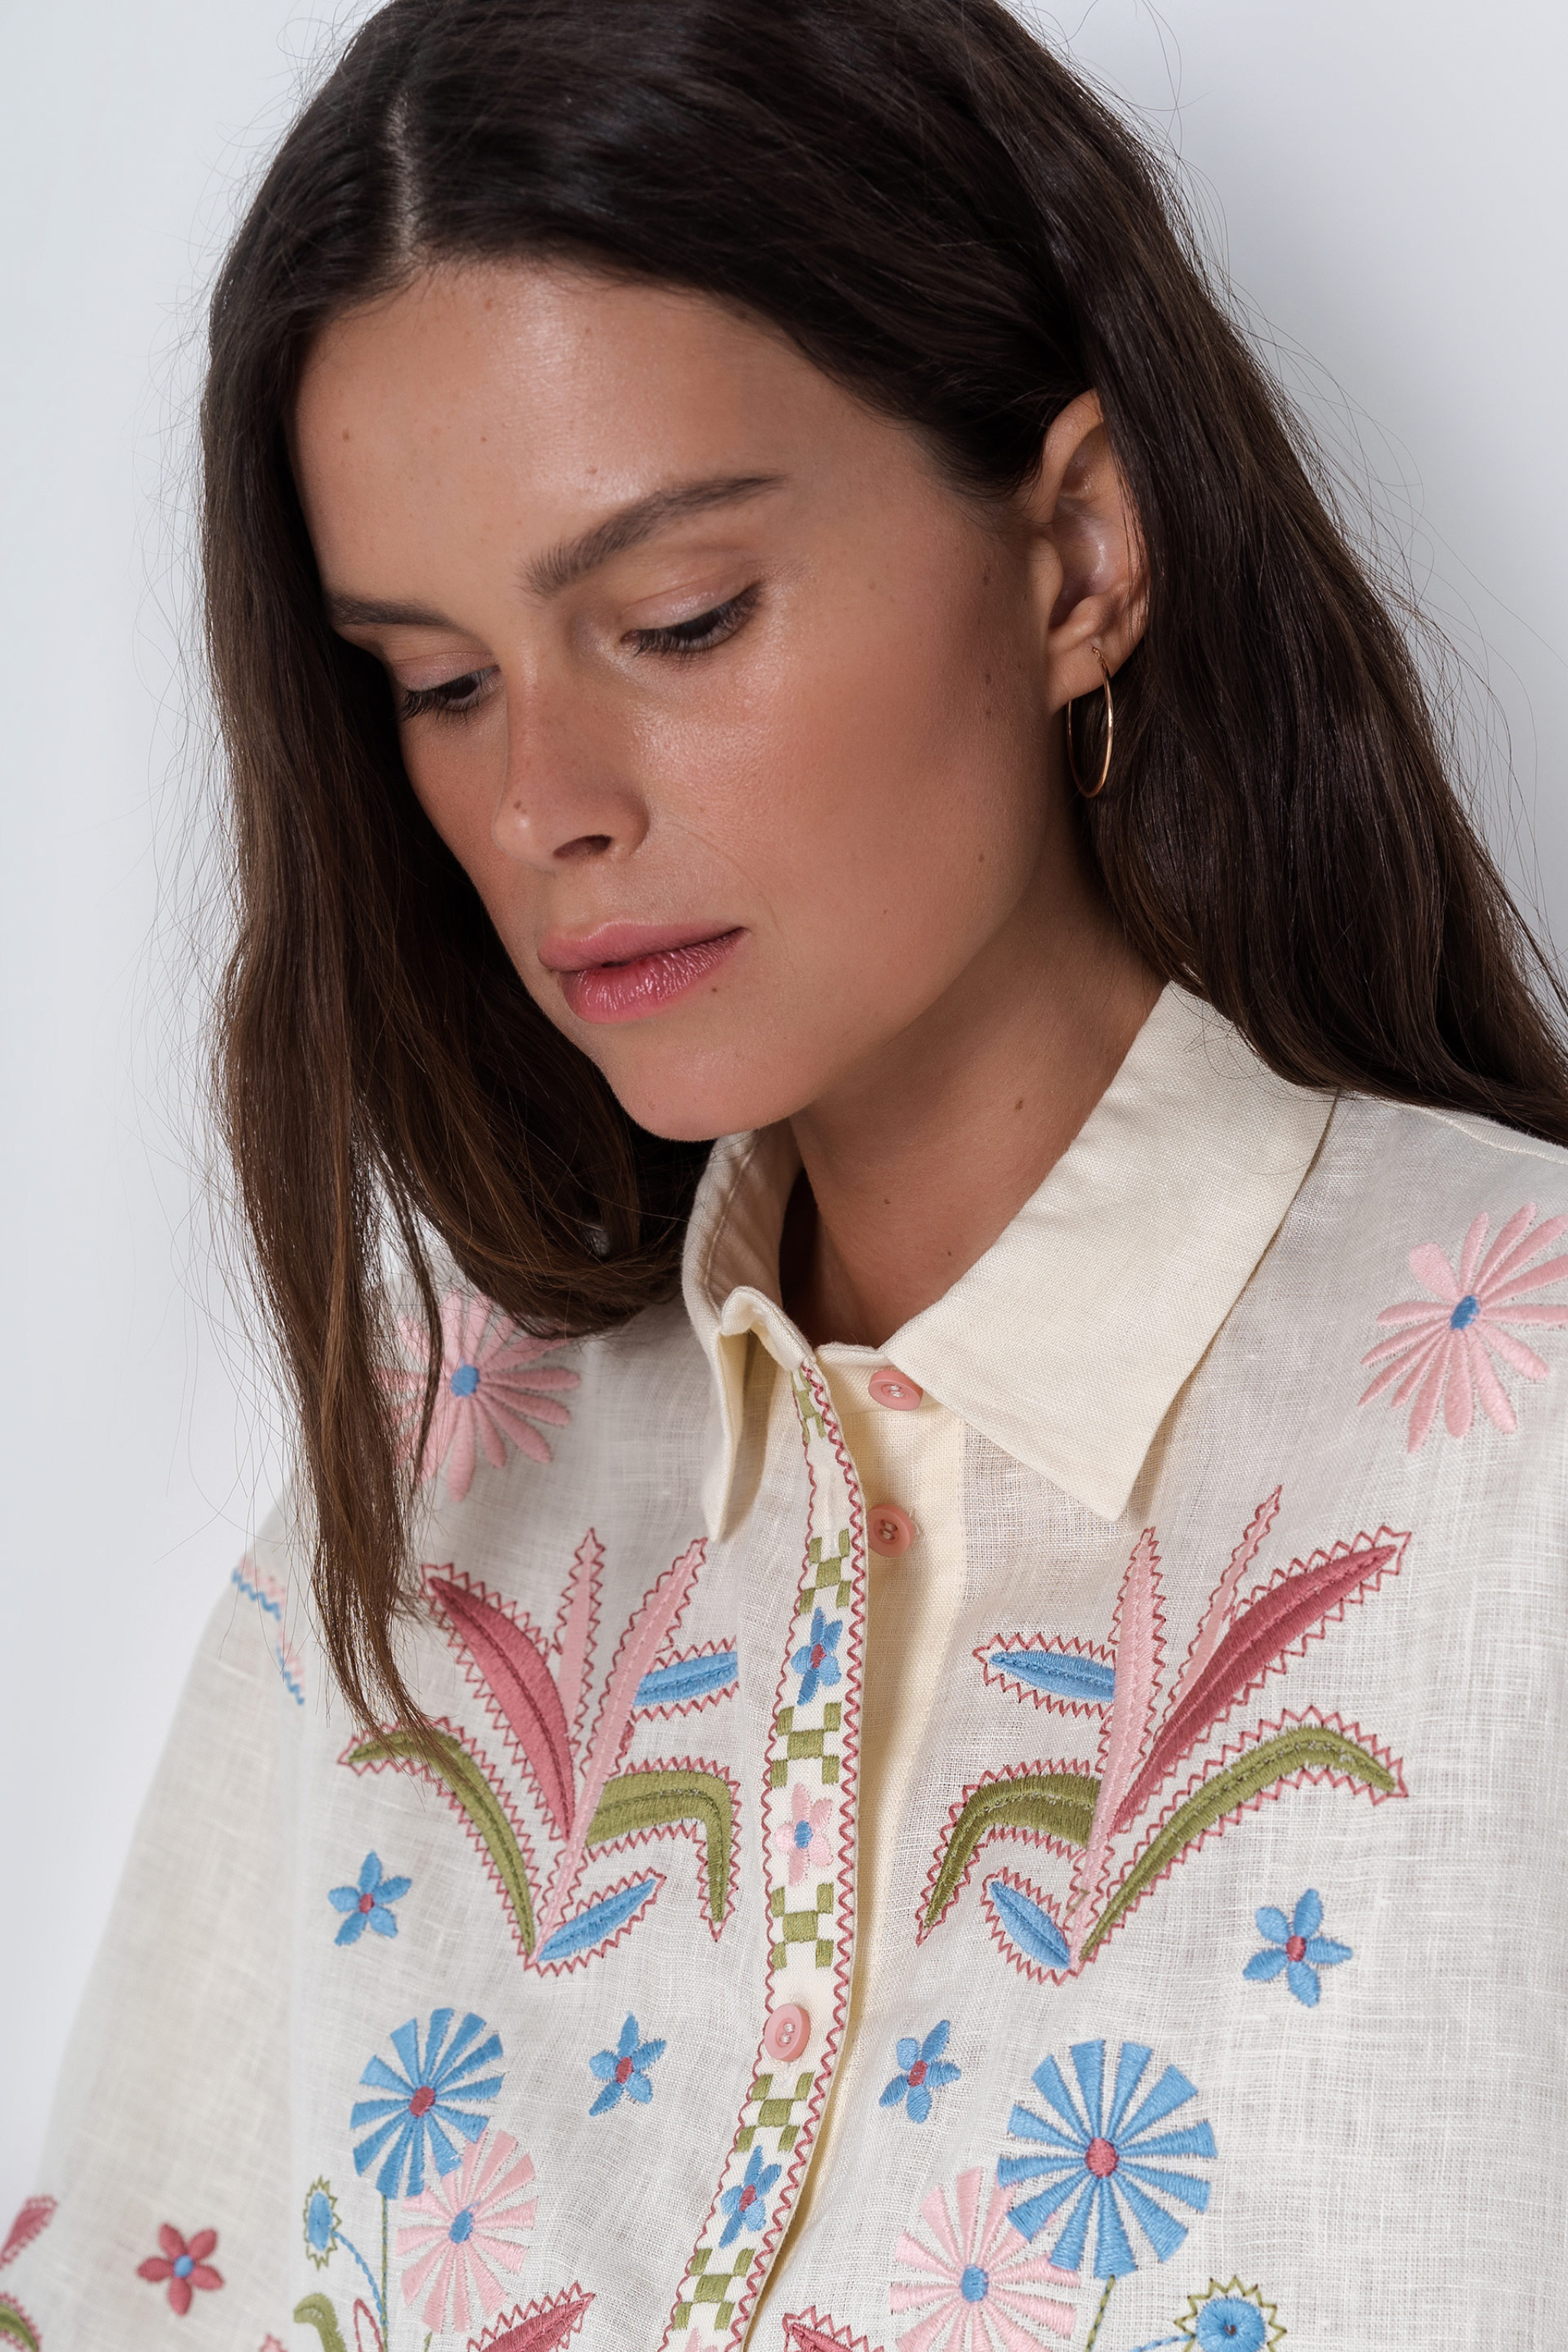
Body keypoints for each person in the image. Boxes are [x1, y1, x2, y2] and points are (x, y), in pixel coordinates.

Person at [7, 1, 1568, 2345]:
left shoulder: (1523, 1445)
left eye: (677, 618)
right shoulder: (439, 1475)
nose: (548, 804)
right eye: (435, 683)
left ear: (1076, 553)